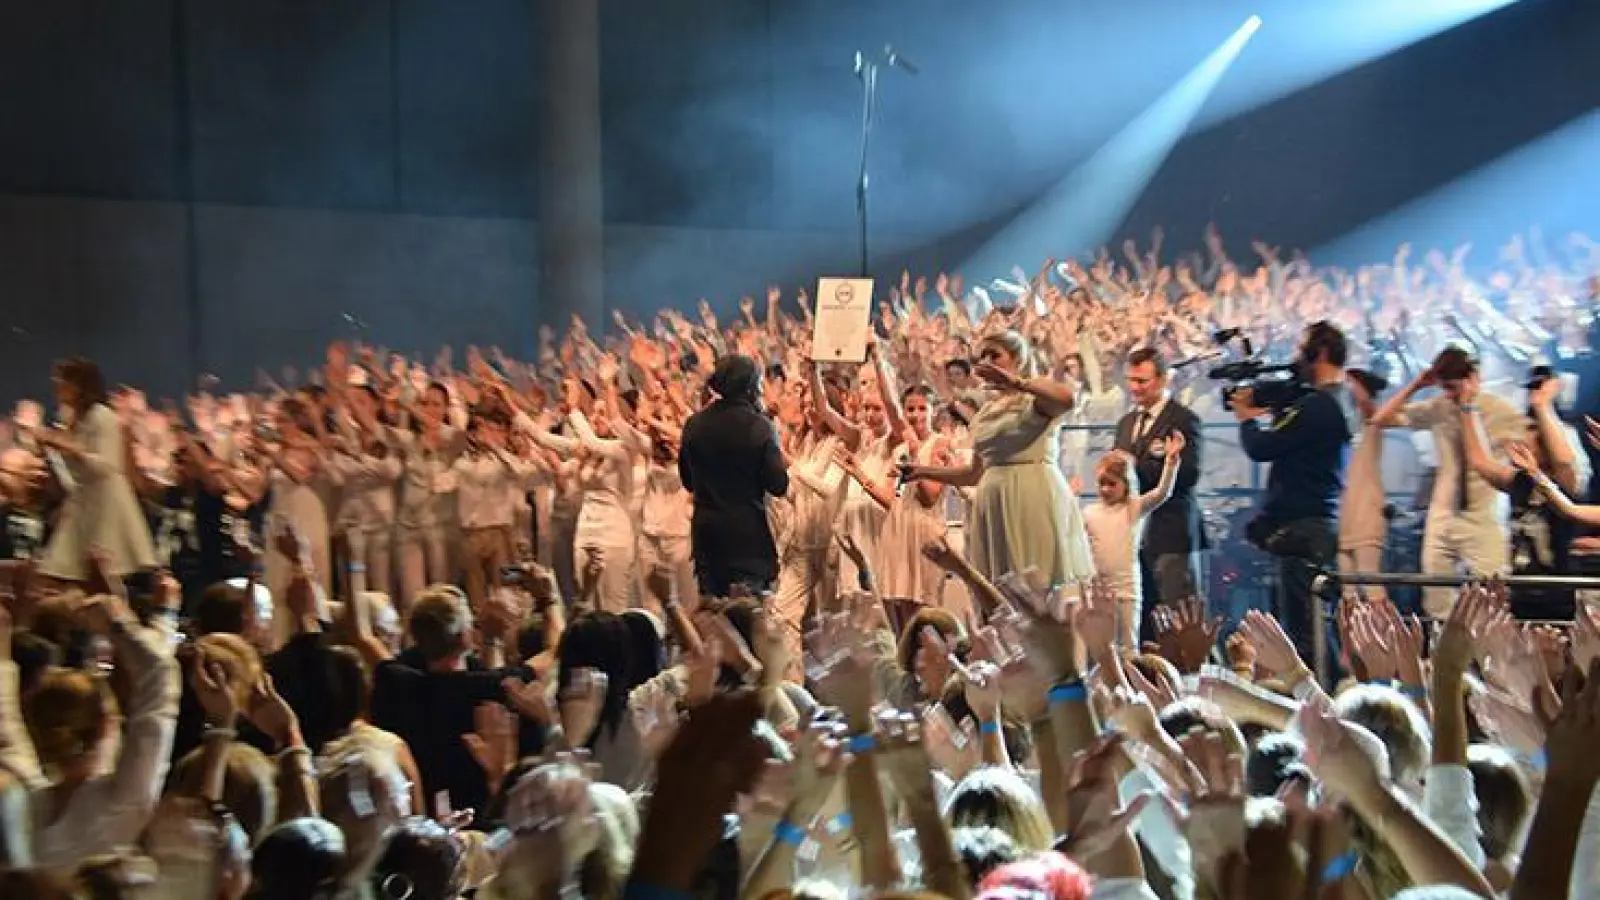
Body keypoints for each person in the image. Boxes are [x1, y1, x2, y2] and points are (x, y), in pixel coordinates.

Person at [906, 330, 1093, 588]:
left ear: (1018, 359)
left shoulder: (1034, 401)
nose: (987, 362)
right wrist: (922, 471)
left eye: (994, 355)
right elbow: (973, 473)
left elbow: (1067, 399)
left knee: (1035, 586)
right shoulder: (988, 411)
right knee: (998, 592)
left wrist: (1017, 382)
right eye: (982, 356)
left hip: (1030, 496)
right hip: (993, 504)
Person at [1232, 320, 1356, 674]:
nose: (1296, 359)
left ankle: (1322, 699)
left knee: (1306, 634)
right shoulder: (1336, 401)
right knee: (1311, 628)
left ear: (1321, 353)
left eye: (1303, 351)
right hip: (1315, 525)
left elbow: (1264, 447)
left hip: (1306, 529)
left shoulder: (1318, 406)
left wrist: (1246, 419)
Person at [1370, 347, 1524, 618]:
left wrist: (1468, 408)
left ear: (1473, 377)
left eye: (1453, 387)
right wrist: (1417, 385)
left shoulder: (1501, 411)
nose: (1450, 394)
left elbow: (1510, 466)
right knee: (1436, 602)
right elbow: (1381, 419)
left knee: (1492, 604)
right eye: (1445, 388)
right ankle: (1442, 644)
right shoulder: (1439, 407)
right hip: (1442, 515)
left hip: (1484, 516)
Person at [33, 358, 157, 583]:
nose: (57, 386)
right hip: (84, 500)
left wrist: (69, 447)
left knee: (102, 571)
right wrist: (53, 449)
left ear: (78, 385)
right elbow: (72, 473)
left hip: (105, 504)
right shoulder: (72, 419)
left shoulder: (102, 416)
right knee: (64, 570)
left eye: (63, 381)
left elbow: (107, 465)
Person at [679, 354, 790, 597]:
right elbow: (778, 485)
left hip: (708, 539)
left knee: (714, 615)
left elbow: (687, 481)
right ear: (751, 387)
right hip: (747, 541)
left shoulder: (694, 424)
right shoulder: (759, 427)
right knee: (748, 615)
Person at [1112, 347, 1205, 635]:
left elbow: (1188, 474)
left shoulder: (1184, 420)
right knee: (1144, 622)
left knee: (1180, 619)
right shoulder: (1126, 423)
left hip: (1171, 532)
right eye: (1131, 380)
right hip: (1135, 536)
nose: (1135, 387)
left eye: (1142, 381)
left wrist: (1136, 467)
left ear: (1163, 380)